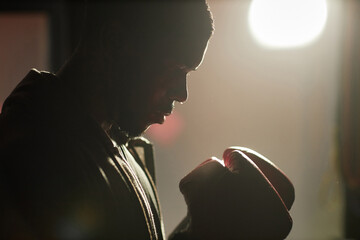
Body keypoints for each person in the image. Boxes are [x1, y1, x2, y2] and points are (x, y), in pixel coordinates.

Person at [0, 0, 294, 239]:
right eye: (175, 69)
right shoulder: (37, 151)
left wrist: (195, 231)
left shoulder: (118, 145)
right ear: (114, 42)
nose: (182, 94)